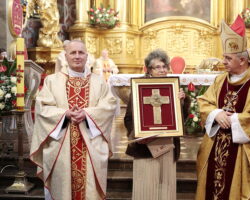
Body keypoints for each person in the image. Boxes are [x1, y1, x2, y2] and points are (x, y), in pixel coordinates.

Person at [195, 16, 250, 200]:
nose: (223, 61)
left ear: (242, 60)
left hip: (243, 152)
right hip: (215, 148)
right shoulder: (220, 80)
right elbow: (204, 101)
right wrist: (216, 113)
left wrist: (233, 120)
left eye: (228, 58)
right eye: (224, 57)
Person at [30, 40, 117, 200]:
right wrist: (65, 114)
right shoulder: (52, 81)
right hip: (61, 147)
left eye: (81, 52)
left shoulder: (99, 82)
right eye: (73, 53)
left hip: (90, 146)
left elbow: (109, 106)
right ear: (65, 56)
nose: (77, 56)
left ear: (87, 56)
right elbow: (43, 109)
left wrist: (87, 114)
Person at [124, 49, 190, 200]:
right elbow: (128, 118)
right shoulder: (139, 88)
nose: (162, 70)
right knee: (146, 187)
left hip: (168, 144)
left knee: (166, 186)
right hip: (145, 146)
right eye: (157, 67)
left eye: (164, 66)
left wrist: (182, 101)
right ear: (148, 70)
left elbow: (182, 119)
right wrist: (138, 134)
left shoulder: (172, 87)